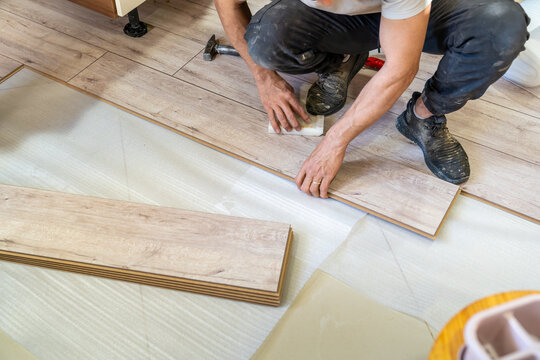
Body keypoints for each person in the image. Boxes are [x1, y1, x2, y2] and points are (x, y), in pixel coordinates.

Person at [215, 0, 530, 198]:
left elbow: (400, 68)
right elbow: (228, 5)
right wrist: (265, 79)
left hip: (420, 11)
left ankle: (423, 116)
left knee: (501, 25)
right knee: (265, 40)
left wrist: (335, 142)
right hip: (340, 18)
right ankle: (338, 60)